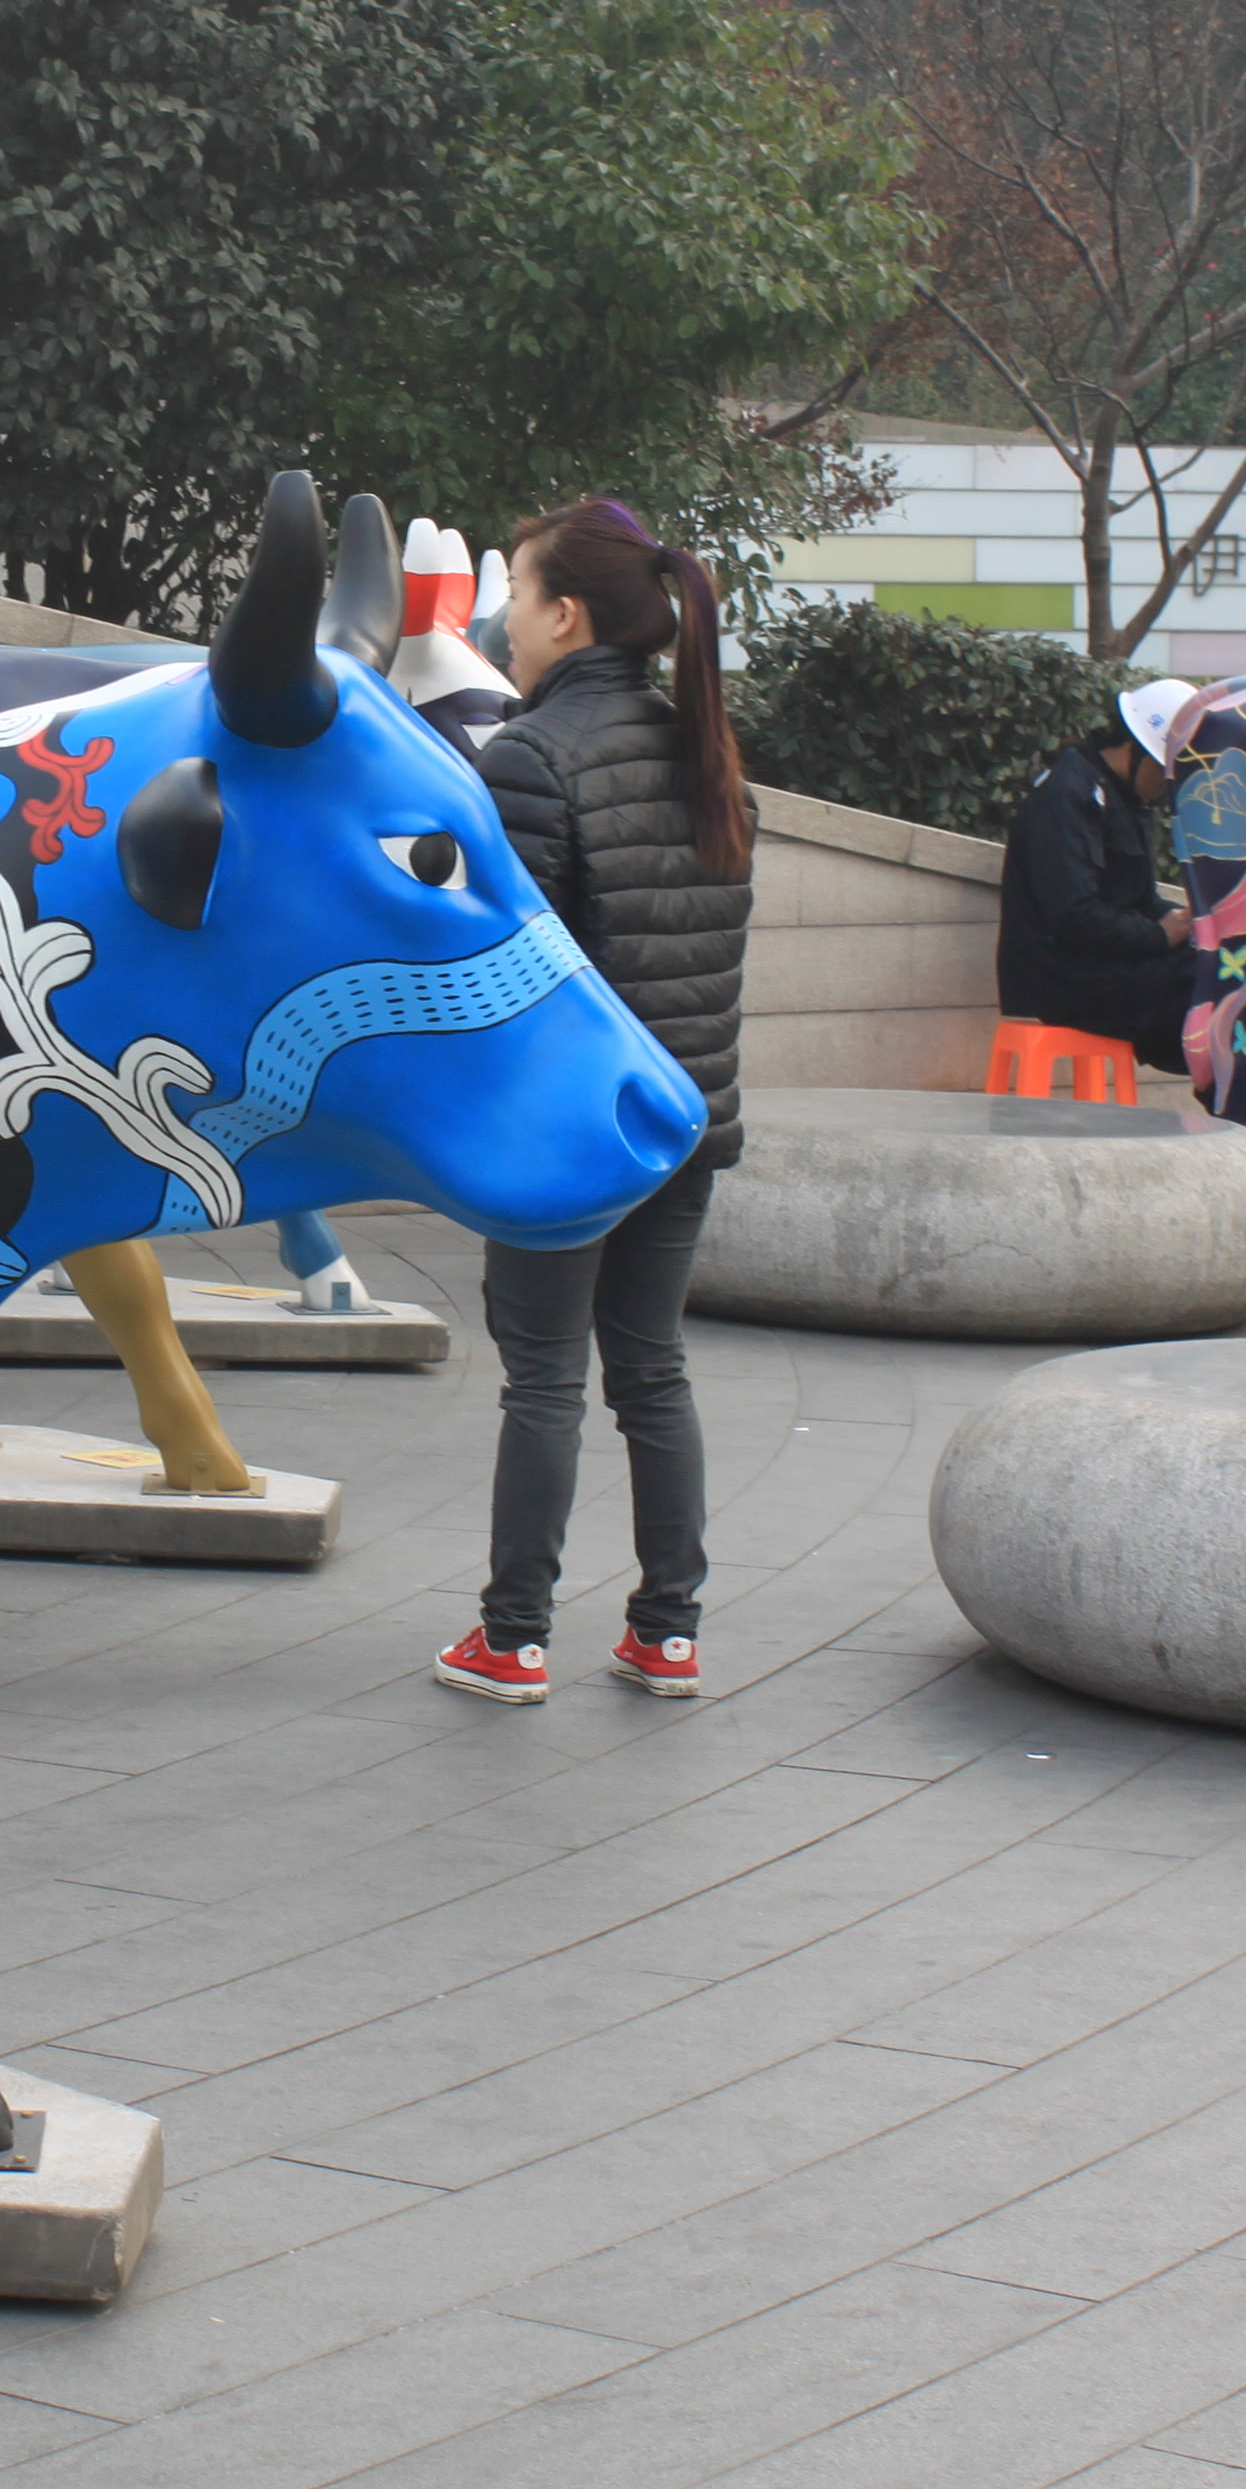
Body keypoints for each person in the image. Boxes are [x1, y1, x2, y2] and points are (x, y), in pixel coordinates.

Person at [430, 500, 751, 1708]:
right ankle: (669, 1633)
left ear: (565, 615)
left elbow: (500, 974)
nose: (502, 620)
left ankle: (513, 1639)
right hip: (684, 1120)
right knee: (652, 1371)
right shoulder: (706, 751)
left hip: (565, 1134)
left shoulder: (529, 757)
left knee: (546, 1381)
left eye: (515, 594)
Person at [997, 686, 1246, 1143]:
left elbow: (1131, 898)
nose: (1172, 785)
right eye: (1170, 770)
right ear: (1134, 750)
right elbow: (1074, 915)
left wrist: (1189, 924)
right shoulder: (1069, 798)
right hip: (1068, 981)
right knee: (1220, 986)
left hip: (1107, 966)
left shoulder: (1122, 796)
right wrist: (1160, 935)